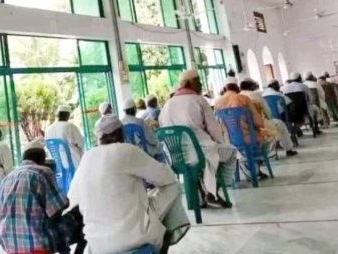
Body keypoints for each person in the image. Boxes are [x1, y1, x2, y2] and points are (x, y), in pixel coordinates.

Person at [67, 115, 190, 254]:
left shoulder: (87, 157)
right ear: (121, 133)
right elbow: (166, 177)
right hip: (133, 239)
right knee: (173, 185)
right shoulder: (127, 150)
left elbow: (71, 199)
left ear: (98, 138)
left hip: (96, 245)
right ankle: (167, 237)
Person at [159, 69, 237, 207]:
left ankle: (204, 190)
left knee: (208, 160)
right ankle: (213, 191)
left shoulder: (168, 104)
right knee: (231, 152)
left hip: (175, 157)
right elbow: (213, 128)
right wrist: (219, 142)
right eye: (199, 81)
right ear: (191, 83)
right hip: (200, 154)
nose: (201, 84)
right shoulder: (199, 100)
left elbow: (162, 127)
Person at [0, 140, 85, 254]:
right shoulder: (42, 172)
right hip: (38, 245)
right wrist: (67, 202)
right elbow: (55, 212)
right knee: (80, 215)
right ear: (42, 159)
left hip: (10, 246)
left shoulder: (6, 179)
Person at [239, 78, 298, 156]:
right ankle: (289, 149)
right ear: (251, 86)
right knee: (280, 124)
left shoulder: (238, 97)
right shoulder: (256, 95)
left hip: (243, 128)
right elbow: (268, 112)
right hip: (260, 127)